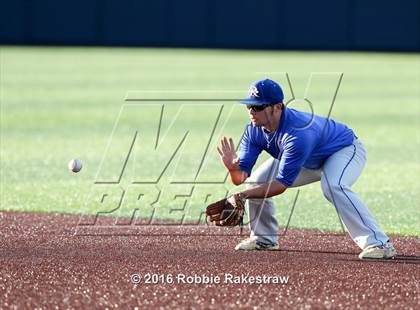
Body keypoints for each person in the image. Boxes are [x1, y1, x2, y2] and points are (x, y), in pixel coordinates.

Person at [217, 78, 396, 259]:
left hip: (343, 150)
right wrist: (233, 169)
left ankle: (379, 244)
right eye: (249, 106)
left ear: (277, 107)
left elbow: (280, 185)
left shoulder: (297, 133)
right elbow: (241, 178)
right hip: (307, 158)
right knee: (256, 181)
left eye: (258, 107)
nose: (251, 112)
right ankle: (264, 239)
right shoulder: (254, 131)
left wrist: (242, 196)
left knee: (334, 186)